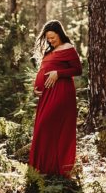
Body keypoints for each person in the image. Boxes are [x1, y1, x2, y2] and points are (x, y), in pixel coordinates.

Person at [29, 20, 82, 177]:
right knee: (42, 128)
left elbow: (78, 70)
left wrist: (58, 73)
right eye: (48, 38)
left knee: (46, 126)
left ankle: (56, 167)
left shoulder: (68, 48)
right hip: (46, 94)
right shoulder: (50, 50)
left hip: (61, 93)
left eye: (53, 37)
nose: (50, 41)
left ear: (60, 33)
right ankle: (43, 169)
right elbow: (44, 69)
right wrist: (36, 87)